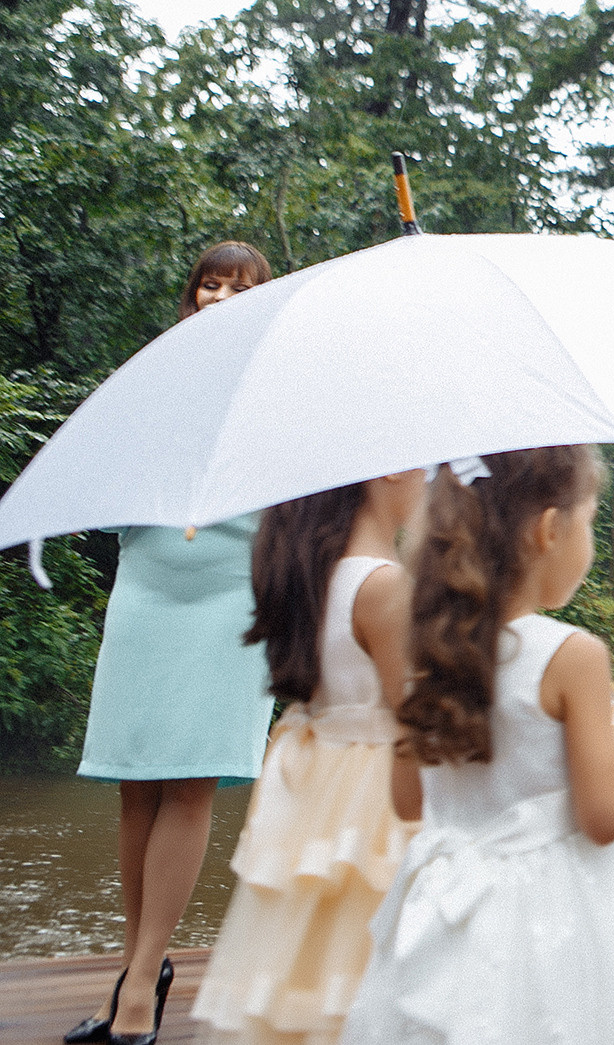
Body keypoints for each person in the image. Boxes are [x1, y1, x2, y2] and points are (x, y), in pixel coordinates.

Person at [339, 445, 614, 1045]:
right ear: (549, 529)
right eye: (590, 521)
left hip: (446, 910)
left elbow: (408, 800)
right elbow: (604, 817)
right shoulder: (571, 655)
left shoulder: (424, 655)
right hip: (555, 913)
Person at [67, 241, 277, 1045]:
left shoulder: (281, 390)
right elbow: (106, 481)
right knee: (135, 783)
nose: (220, 296)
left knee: (189, 783)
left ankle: (138, 984)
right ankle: (137, 965)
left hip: (231, 592)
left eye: (239, 287)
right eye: (209, 283)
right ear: (191, 296)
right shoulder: (147, 378)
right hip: (148, 583)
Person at [189, 469, 428, 1044]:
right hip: (379, 800)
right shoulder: (384, 587)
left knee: (313, 964)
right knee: (371, 966)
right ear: (393, 469)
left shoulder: (317, 574)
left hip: (321, 794)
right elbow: (420, 723)